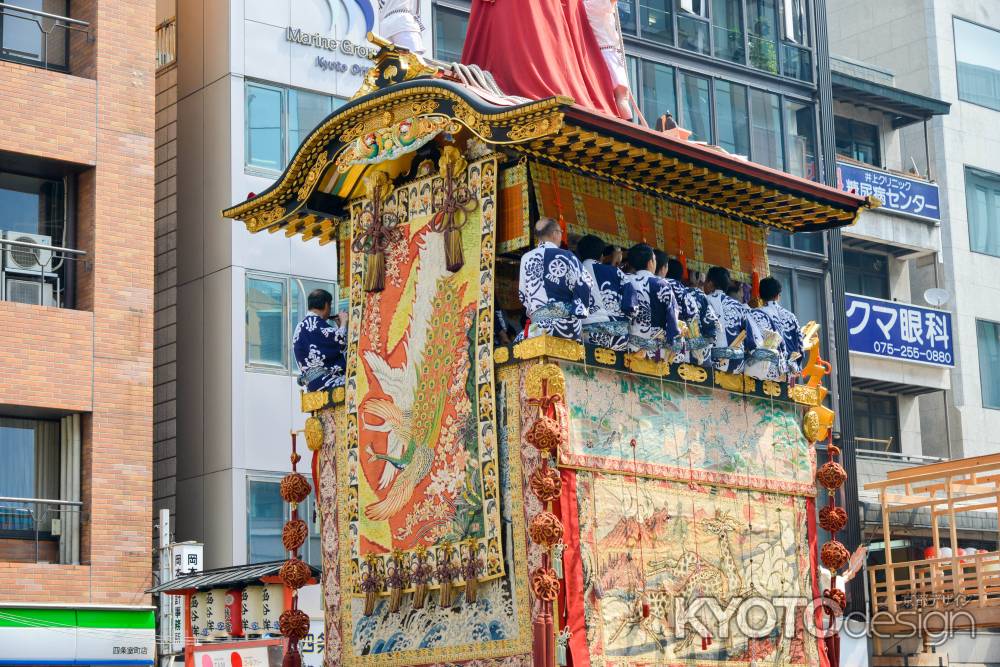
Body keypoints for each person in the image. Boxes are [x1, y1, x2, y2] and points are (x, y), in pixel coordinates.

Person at [518, 217, 593, 341]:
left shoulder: (526, 258)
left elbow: (523, 296)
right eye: (560, 232)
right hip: (567, 328)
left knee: (517, 344)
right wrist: (578, 308)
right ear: (554, 234)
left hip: (538, 327)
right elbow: (586, 283)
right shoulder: (567, 256)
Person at [576, 234, 635, 350]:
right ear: (601, 256)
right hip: (618, 339)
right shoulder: (617, 273)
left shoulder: (575, 271)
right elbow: (632, 308)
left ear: (578, 254)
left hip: (586, 336)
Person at [623, 243, 680, 356]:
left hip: (630, 347)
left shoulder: (626, 280)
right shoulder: (662, 284)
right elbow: (672, 319)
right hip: (657, 352)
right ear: (650, 263)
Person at [703, 266, 761, 373]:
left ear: (710, 284)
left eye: (705, 281)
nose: (704, 284)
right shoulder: (738, 306)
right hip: (737, 364)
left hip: (712, 360)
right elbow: (750, 339)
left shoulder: (704, 300)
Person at [664, 258, 719, 365]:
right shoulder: (697, 295)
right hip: (696, 358)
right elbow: (712, 332)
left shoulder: (657, 287)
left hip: (661, 353)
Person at [292, 289, 347, 392]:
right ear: (326, 305)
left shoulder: (299, 326)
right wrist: (343, 323)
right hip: (328, 382)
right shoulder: (318, 324)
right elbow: (340, 342)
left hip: (312, 385)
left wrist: (339, 328)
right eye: (330, 306)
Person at [757, 276, 804, 375]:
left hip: (765, 370)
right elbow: (800, 346)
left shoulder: (754, 314)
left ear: (759, 295)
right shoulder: (791, 317)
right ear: (778, 295)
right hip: (788, 372)